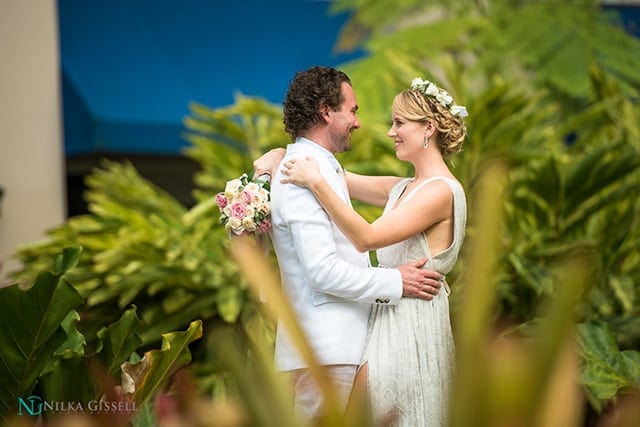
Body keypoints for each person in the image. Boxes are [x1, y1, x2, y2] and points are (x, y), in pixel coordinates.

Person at [253, 66, 445, 422]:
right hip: (327, 349)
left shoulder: (321, 169)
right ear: (327, 111)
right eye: (352, 110)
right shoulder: (302, 172)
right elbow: (323, 270)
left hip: (338, 347)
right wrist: (397, 282)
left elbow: (393, 188)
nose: (358, 122)